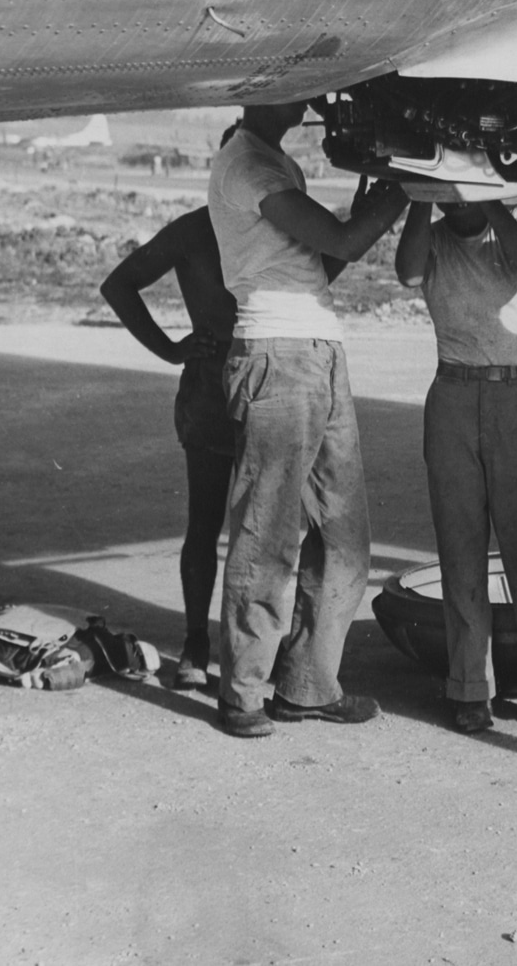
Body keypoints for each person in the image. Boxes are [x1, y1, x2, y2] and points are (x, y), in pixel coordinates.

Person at [208, 101, 408, 737]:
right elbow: (345, 241)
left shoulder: (276, 161)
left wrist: (376, 203)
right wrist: (408, 179)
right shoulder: (247, 166)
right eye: (297, 90)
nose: (309, 100)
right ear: (262, 94)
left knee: (346, 536)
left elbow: (327, 263)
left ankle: (306, 685)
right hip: (278, 353)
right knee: (268, 534)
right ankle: (242, 694)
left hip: (315, 348)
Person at [394, 199, 517, 736]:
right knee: (460, 549)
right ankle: (470, 688)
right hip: (452, 393)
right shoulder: (431, 235)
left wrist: (488, 200)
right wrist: (420, 196)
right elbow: (406, 271)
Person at [99, 169, 236, 690]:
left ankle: (249, 644)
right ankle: (197, 639)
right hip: (210, 388)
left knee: (262, 527)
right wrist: (171, 349)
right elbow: (118, 285)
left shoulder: (274, 223)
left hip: (271, 377)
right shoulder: (193, 231)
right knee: (205, 521)